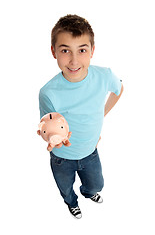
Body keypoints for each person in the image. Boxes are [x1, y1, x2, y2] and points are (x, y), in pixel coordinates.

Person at [39, 14, 124, 219]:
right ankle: (72, 202)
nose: (74, 60)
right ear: (54, 52)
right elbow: (46, 127)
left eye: (82, 50)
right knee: (65, 187)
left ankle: (88, 192)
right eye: (65, 50)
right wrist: (54, 140)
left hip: (90, 151)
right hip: (62, 158)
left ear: (92, 51)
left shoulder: (104, 76)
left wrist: (102, 114)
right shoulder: (48, 92)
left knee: (97, 184)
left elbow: (119, 89)